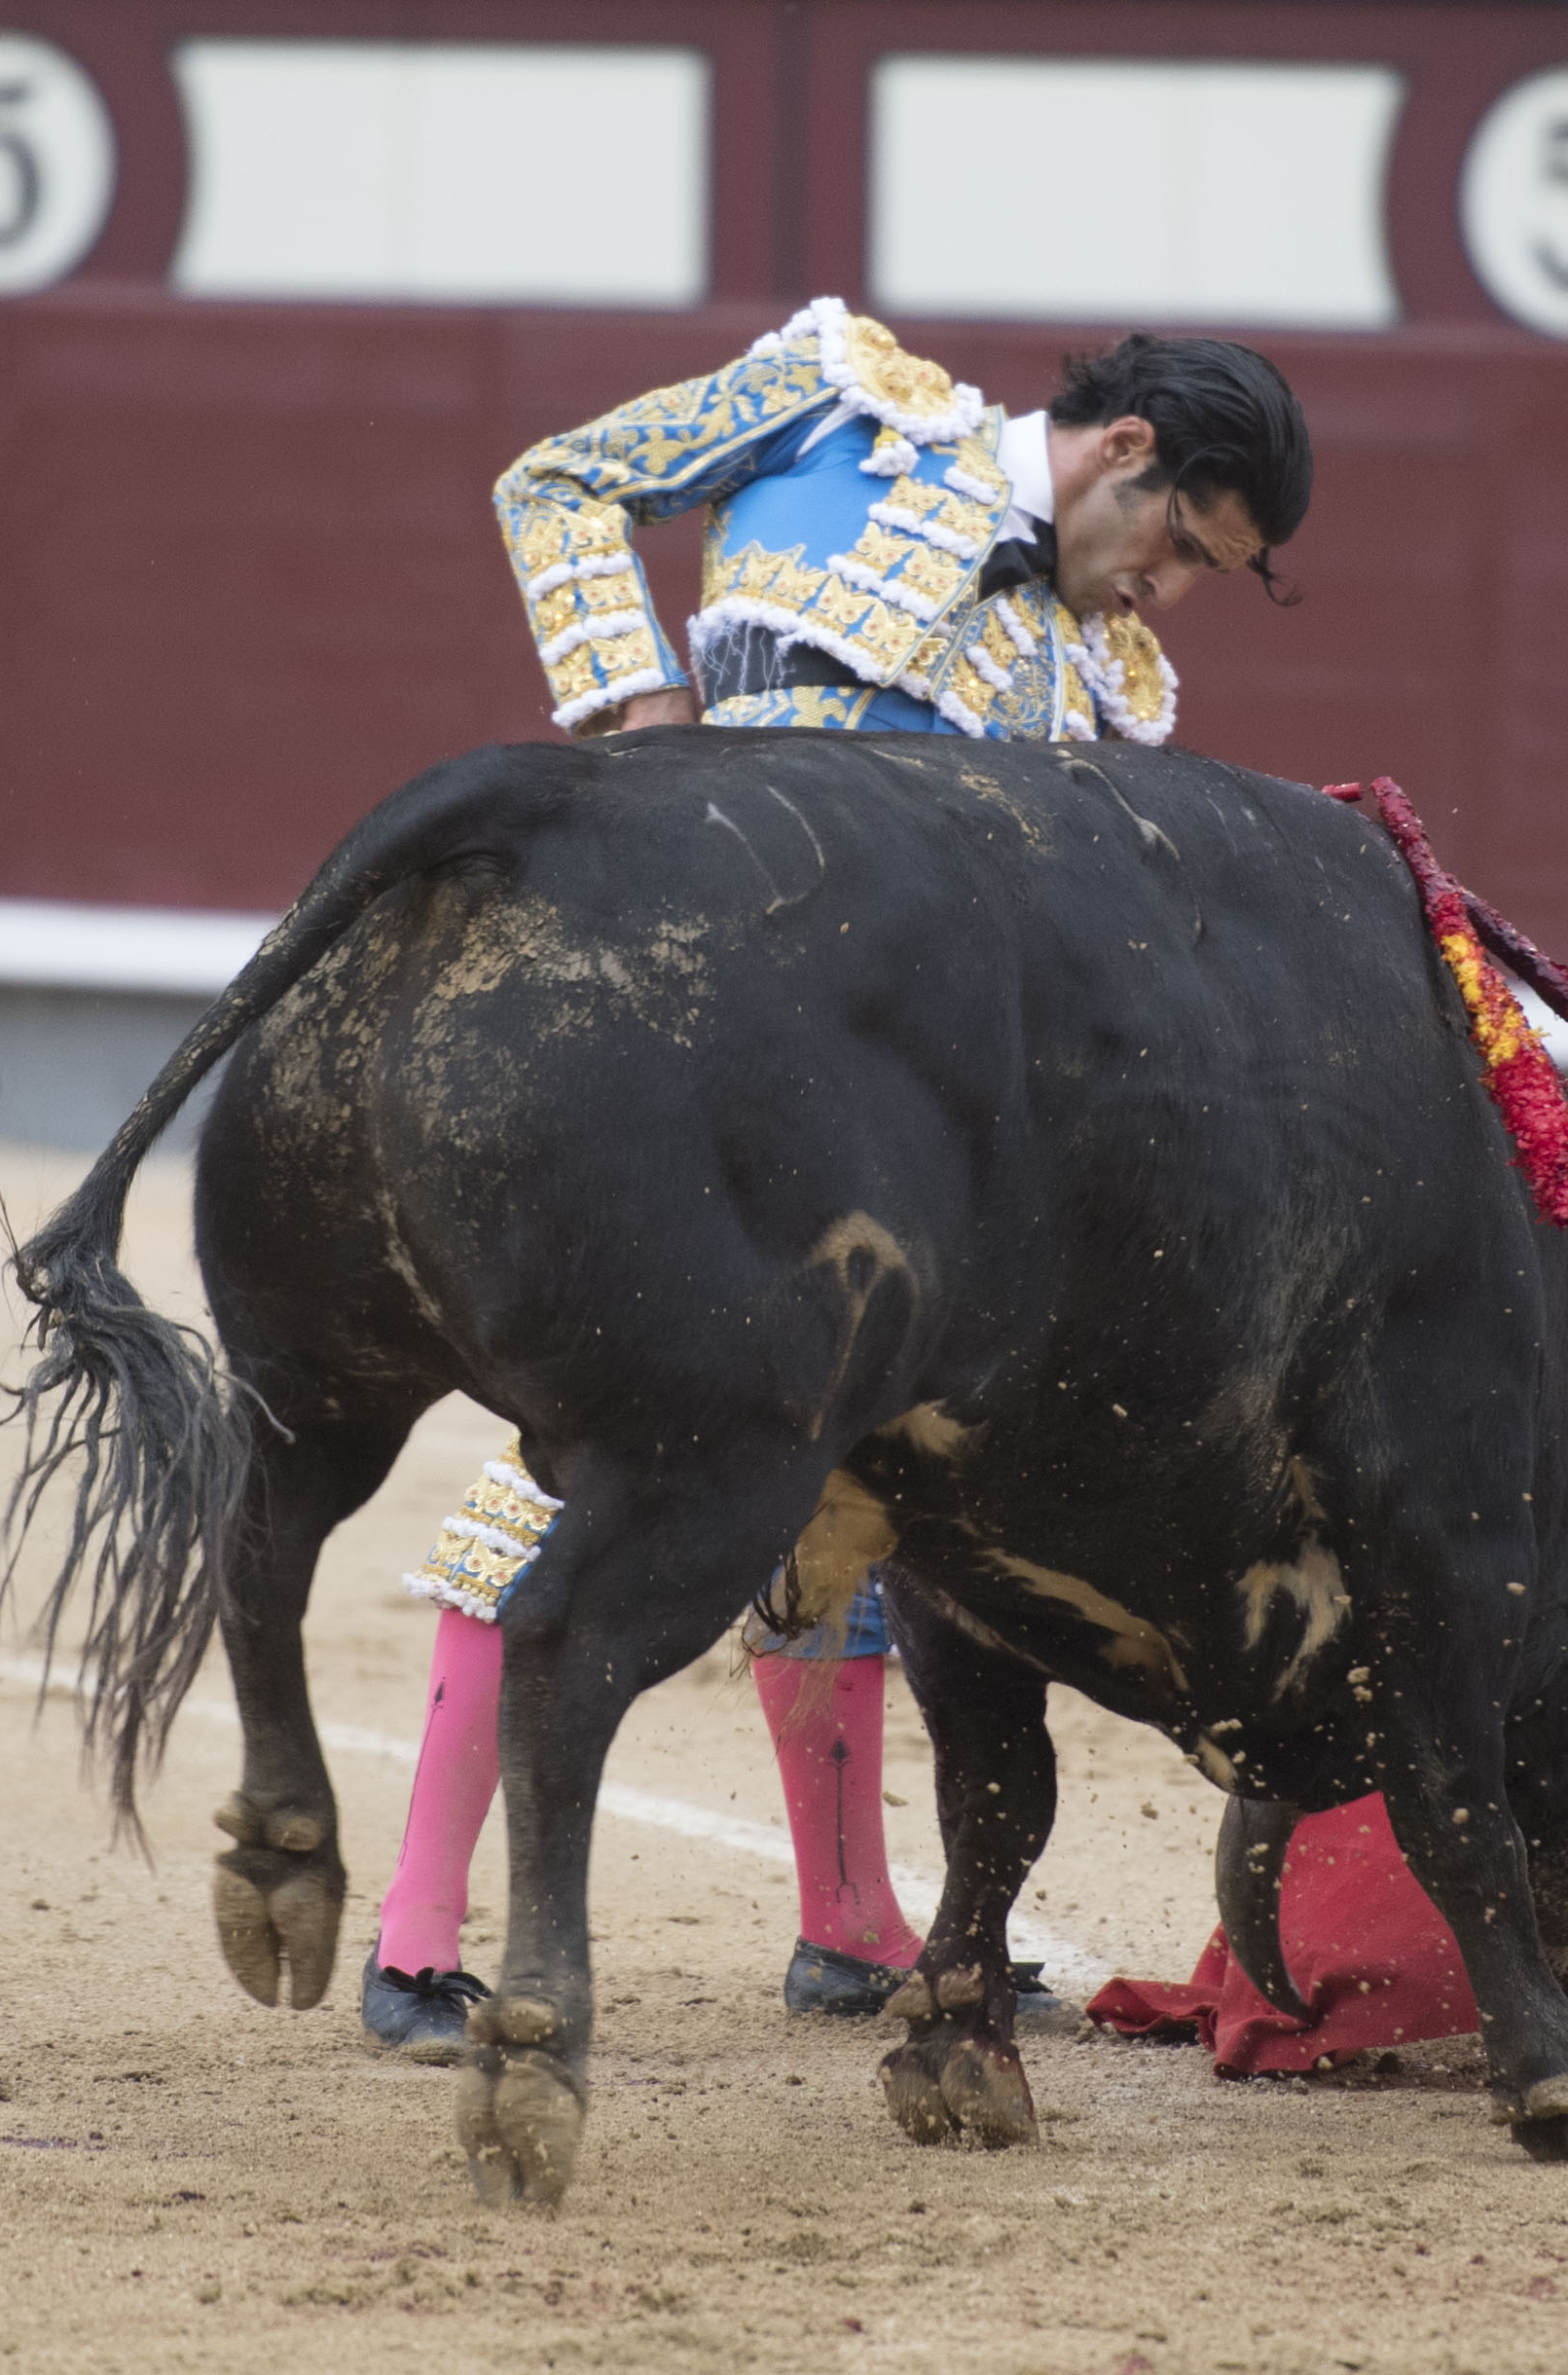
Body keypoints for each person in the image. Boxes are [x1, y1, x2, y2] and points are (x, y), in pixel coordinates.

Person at [359, 297, 1314, 2055]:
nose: (1163, 594)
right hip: (696, 1065)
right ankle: (417, 1940)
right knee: (579, 1470)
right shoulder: (838, 407)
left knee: (858, 1498)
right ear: (1124, 451)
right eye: (1180, 543)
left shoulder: (1108, 681)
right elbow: (558, 482)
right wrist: (640, 706)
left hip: (903, 1132)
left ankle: (852, 1924)